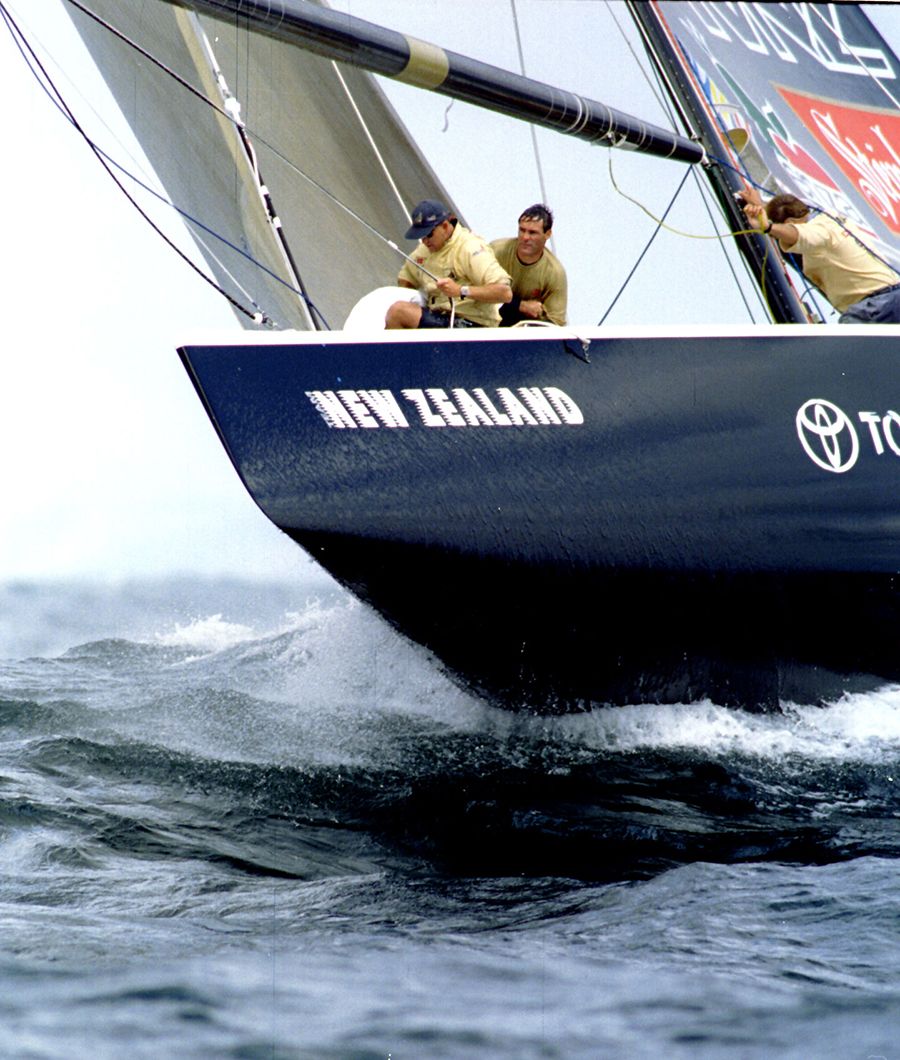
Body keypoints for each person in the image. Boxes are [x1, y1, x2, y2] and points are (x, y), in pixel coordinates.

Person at [738, 188, 900, 322]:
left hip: (875, 307)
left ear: (789, 223)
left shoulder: (817, 232)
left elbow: (798, 234)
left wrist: (767, 227)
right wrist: (760, 207)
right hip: (891, 298)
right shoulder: (830, 219)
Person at [386, 200, 512, 328]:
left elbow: (504, 293)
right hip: (437, 315)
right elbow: (406, 278)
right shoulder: (425, 249)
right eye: (421, 236)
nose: (425, 241)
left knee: (399, 312)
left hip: (471, 323)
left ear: (445, 226)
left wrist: (460, 290)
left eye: (429, 234)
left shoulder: (470, 247)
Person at [490, 204, 568, 326]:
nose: (525, 237)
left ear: (547, 234)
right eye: (522, 230)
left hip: (525, 331)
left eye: (532, 233)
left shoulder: (554, 273)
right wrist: (521, 305)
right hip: (487, 319)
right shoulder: (496, 251)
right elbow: (475, 289)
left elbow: (555, 324)